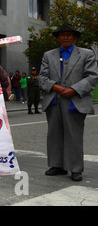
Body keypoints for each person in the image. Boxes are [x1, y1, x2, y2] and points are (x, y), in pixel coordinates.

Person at [38, 24, 98, 181]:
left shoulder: (87, 54)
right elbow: (42, 78)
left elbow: (92, 76)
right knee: (54, 134)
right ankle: (57, 165)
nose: (65, 37)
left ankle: (75, 168)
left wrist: (74, 89)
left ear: (75, 38)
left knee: (74, 135)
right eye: (62, 35)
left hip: (76, 99)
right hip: (54, 100)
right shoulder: (48, 55)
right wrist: (56, 87)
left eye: (69, 35)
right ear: (58, 38)